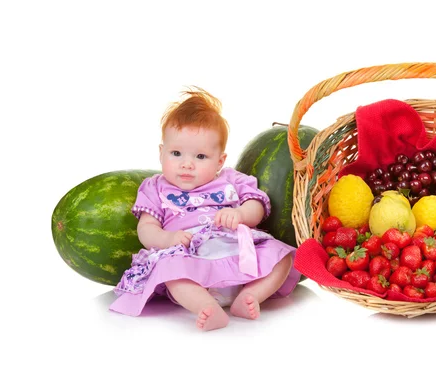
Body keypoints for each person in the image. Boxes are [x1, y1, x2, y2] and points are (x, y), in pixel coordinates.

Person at [109, 87, 300, 331]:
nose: (187, 164)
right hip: (189, 257)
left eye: (200, 157)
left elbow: (258, 206)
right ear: (161, 153)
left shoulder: (231, 179)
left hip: (238, 255)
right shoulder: (155, 188)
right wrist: (167, 239)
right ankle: (205, 307)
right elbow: (146, 227)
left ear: (220, 160)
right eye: (176, 153)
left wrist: (241, 214)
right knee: (170, 271)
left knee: (282, 256)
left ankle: (250, 295)